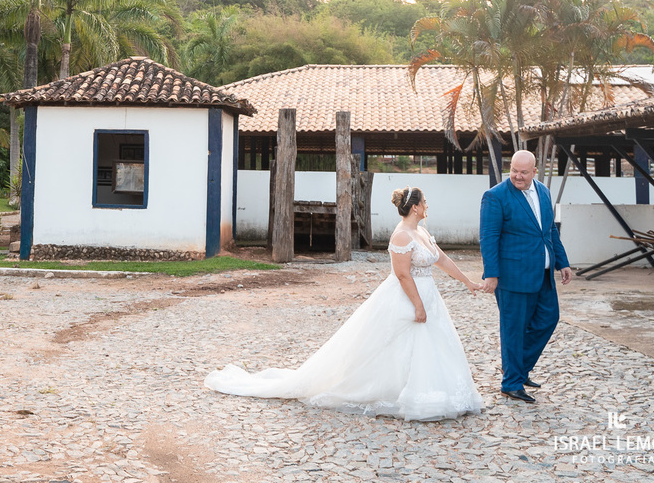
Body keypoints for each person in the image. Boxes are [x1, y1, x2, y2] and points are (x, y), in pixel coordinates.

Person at [205, 187, 483, 421]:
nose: (427, 206)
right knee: (398, 345)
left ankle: (435, 391)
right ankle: (401, 392)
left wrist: (467, 281)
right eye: (424, 202)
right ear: (415, 207)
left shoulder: (421, 232)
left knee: (431, 345)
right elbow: (402, 275)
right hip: (408, 297)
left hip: (430, 297)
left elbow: (442, 259)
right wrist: (418, 305)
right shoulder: (401, 236)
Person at [480, 149, 572, 403]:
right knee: (514, 329)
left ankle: (518, 369)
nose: (517, 176)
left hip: (543, 273)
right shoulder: (495, 196)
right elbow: (488, 237)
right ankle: (511, 383)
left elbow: (549, 230)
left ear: (534, 172)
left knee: (548, 319)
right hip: (512, 276)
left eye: (523, 172)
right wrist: (491, 274)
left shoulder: (543, 191)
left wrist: (562, 262)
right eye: (514, 171)